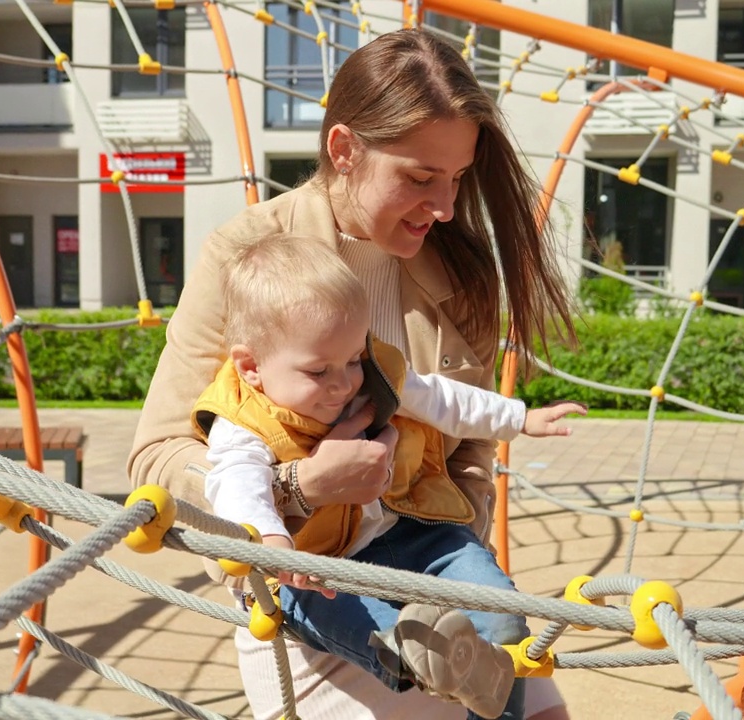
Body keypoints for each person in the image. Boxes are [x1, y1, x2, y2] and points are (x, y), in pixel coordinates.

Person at [128, 28, 577, 720]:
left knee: (540, 708)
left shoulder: (460, 274)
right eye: (421, 177)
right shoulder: (246, 257)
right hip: (314, 588)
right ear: (344, 150)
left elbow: (472, 453)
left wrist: (454, 560)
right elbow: (156, 460)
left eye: (457, 178)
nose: (448, 207)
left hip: (432, 571)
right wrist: (296, 488)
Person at [194, 233, 587, 720]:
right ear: (251, 367)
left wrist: (518, 418)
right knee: (347, 617)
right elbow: (234, 484)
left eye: (354, 360)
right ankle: (417, 653)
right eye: (318, 372)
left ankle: (482, 672)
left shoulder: (375, 371)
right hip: (325, 569)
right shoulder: (241, 420)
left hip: (418, 534)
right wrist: (271, 539)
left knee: (500, 611)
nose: (344, 383)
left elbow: (443, 399)